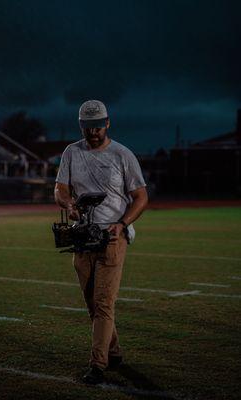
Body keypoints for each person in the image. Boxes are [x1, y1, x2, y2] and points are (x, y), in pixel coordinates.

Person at [54, 99, 148, 384]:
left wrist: (122, 225)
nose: (93, 132)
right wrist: (68, 204)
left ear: (107, 123)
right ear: (81, 126)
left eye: (97, 126)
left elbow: (141, 197)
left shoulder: (122, 154)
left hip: (111, 237)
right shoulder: (71, 152)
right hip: (82, 236)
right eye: (87, 127)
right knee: (92, 303)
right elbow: (60, 188)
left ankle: (98, 365)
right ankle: (115, 352)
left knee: (104, 303)